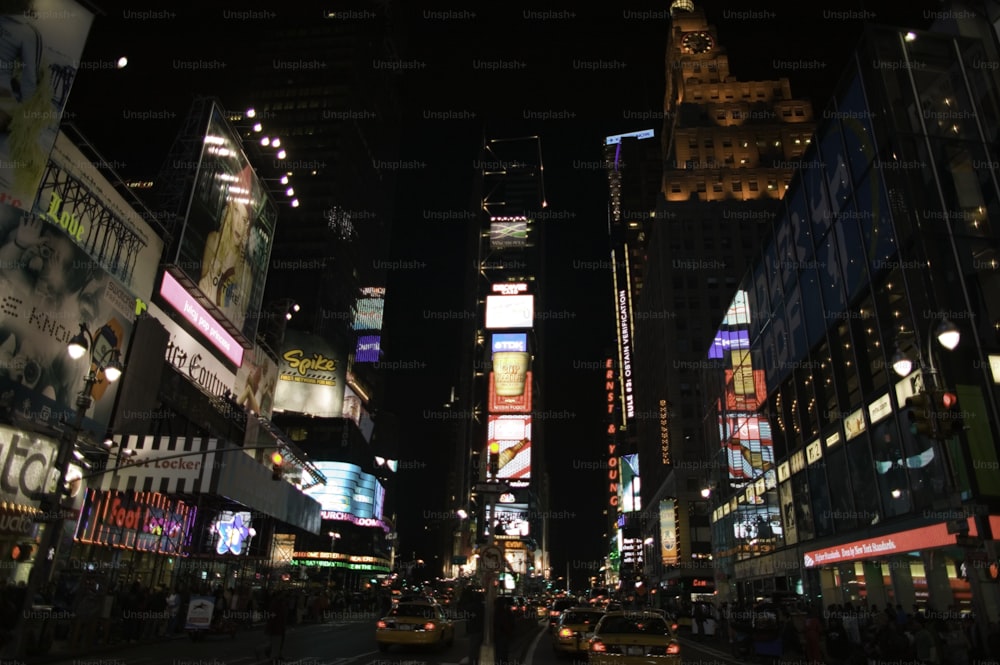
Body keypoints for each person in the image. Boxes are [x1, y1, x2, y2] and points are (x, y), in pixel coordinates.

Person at [198, 164, 255, 313]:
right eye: (236, 212)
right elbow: (200, 289)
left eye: (244, 220)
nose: (238, 224)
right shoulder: (213, 241)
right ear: (229, 212)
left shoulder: (247, 275)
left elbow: (240, 319)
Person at [494, 597, 514, 665]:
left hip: (499, 635)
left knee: (500, 653)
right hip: (504, 635)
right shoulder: (506, 611)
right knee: (504, 653)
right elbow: (512, 623)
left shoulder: (496, 612)